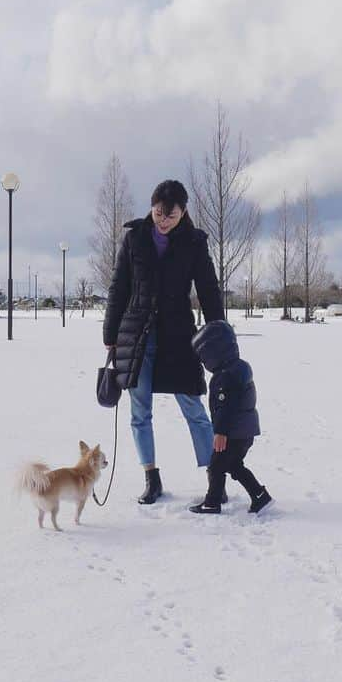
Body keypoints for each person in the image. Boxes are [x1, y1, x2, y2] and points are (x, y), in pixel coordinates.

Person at [103, 179, 225, 504]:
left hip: (179, 335)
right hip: (136, 334)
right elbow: (119, 288)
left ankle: (216, 478)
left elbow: (209, 288)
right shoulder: (134, 239)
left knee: (192, 405)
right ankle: (152, 477)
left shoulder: (195, 243)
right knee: (139, 410)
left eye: (171, 215)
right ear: (152, 206)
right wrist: (110, 334)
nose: (163, 220)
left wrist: (219, 329)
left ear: (183, 212)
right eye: (159, 213)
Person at [188, 320, 272, 515]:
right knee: (234, 465)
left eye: (204, 357)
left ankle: (212, 502)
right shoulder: (240, 367)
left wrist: (220, 432)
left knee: (217, 467)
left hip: (231, 434)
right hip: (245, 432)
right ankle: (259, 495)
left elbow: (225, 408)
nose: (203, 362)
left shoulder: (224, 377)